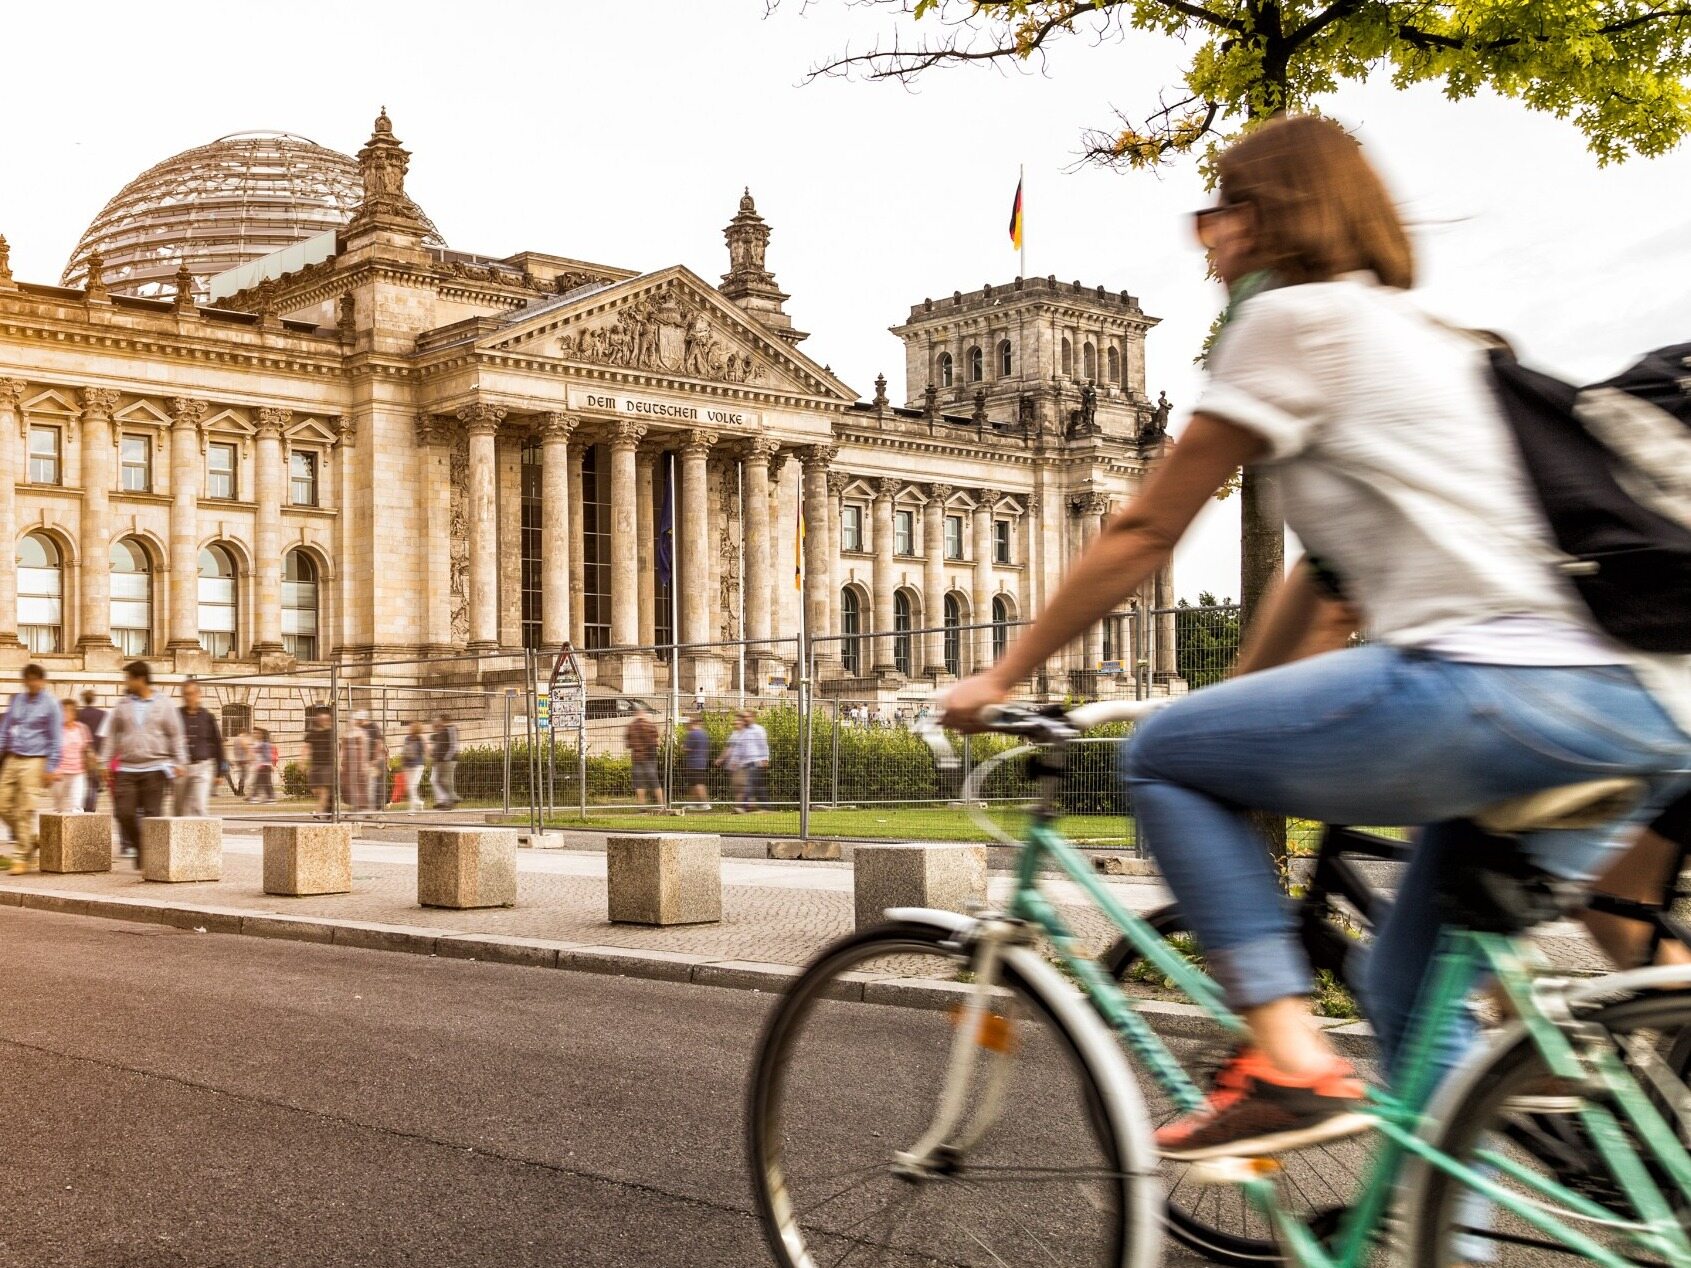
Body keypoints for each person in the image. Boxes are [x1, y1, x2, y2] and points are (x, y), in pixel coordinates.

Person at [942, 114, 1691, 1162]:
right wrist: (1244, 703)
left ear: (1268, 218)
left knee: (1161, 754)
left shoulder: (1291, 321)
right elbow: (1325, 575)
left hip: (1492, 687)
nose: (1203, 238)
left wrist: (1003, 673)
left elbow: (1146, 526)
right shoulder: (1442, 339)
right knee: (1406, 993)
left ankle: (1288, 1057)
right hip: (1639, 706)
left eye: (1217, 210)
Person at [103, 661, 185, 867]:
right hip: (126, 767)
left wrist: (180, 761)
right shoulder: (123, 705)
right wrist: (104, 763)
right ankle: (141, 847)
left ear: (140, 679)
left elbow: (176, 735)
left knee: (152, 816)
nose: (126, 682)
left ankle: (152, 860)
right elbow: (111, 736)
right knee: (124, 813)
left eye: (128, 678)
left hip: (156, 767)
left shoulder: (164, 703)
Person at [0, 664, 62, 873]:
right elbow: (5, 729)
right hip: (13, 757)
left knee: (24, 808)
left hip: (36, 759)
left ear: (42, 681)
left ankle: (21, 856)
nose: (32, 683)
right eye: (29, 679)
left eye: (36, 679)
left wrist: (51, 767)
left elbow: (56, 739)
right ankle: (31, 840)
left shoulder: (51, 704)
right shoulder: (17, 700)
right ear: (25, 681)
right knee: (3, 804)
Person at [173, 680, 226, 817]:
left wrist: (220, 771)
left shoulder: (207, 717)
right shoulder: (176, 715)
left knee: (199, 806)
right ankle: (180, 836)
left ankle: (203, 836)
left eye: (191, 693)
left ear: (198, 694)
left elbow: (218, 743)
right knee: (179, 809)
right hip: (181, 768)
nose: (188, 697)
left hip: (203, 766)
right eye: (185, 694)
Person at [717, 710, 770, 812]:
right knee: (758, 786)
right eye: (744, 717)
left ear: (753, 717)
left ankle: (743, 807)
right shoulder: (744, 731)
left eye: (747, 717)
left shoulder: (759, 730)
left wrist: (765, 758)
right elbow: (740, 748)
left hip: (756, 760)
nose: (746, 719)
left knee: (749, 784)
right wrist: (736, 760)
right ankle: (762, 807)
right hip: (745, 762)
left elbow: (763, 744)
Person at [53, 698, 91, 815]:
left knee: (77, 806)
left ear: (75, 713)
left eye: (70, 710)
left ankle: (77, 832)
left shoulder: (82, 728)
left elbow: (86, 748)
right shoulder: (55, 729)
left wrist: (90, 759)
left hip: (78, 772)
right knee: (59, 807)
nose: (66, 713)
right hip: (60, 772)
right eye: (64, 710)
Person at [626, 704, 664, 809]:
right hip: (650, 757)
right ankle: (661, 805)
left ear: (635, 714)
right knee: (655, 782)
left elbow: (629, 744)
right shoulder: (651, 725)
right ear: (643, 713)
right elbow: (657, 742)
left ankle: (642, 807)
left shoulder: (631, 726)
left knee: (639, 784)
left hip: (637, 757)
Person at [77, 689, 105, 811]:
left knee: (82, 782)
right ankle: (90, 809)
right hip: (97, 752)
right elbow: (105, 735)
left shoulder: (78, 714)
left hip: (81, 752)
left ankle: (82, 807)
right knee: (93, 783)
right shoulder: (103, 714)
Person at [305, 707, 335, 815]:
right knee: (315, 790)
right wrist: (302, 761)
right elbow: (307, 747)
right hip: (315, 765)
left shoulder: (332, 732)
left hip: (328, 765)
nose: (323, 721)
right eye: (321, 719)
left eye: (326, 719)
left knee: (324, 790)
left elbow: (338, 746)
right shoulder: (312, 733)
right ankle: (328, 807)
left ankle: (318, 812)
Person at [339, 711, 369, 812]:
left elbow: (365, 748)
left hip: (358, 760)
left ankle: (362, 806)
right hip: (347, 762)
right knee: (348, 784)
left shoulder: (361, 733)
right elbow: (342, 749)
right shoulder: (345, 734)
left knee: (359, 783)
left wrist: (365, 763)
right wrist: (340, 762)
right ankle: (354, 805)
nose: (350, 722)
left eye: (352, 720)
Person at [681, 715, 711, 809]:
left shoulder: (692, 734)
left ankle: (705, 803)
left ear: (692, 724)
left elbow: (686, 748)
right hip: (702, 762)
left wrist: (682, 747)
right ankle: (693, 803)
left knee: (698, 784)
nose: (687, 726)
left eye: (688, 724)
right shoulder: (704, 734)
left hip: (694, 762)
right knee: (694, 783)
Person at [429, 715, 459, 809]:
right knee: (440, 780)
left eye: (441, 721)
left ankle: (451, 800)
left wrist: (447, 757)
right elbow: (437, 741)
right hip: (442, 760)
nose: (439, 723)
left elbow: (453, 745)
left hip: (448, 760)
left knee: (445, 781)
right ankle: (451, 798)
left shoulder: (451, 729)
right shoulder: (444, 729)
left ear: (444, 720)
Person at [360, 712, 388, 810]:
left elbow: (379, 744)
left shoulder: (373, 727)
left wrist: (375, 759)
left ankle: (376, 808)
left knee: (374, 785)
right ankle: (375, 808)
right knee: (371, 785)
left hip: (375, 761)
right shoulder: (362, 728)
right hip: (369, 761)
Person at [400, 721, 427, 813]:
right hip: (408, 766)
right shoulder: (407, 738)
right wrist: (403, 763)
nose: (409, 728)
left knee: (412, 787)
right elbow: (404, 751)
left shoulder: (420, 739)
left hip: (417, 766)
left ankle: (412, 809)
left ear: (416, 729)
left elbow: (425, 751)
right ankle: (419, 803)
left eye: (411, 727)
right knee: (410, 788)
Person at [249, 727, 278, 804]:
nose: (255, 734)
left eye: (257, 733)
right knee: (260, 782)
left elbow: (268, 756)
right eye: (254, 733)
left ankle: (269, 797)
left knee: (266, 783)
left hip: (265, 766)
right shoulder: (260, 743)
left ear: (262, 735)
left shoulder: (265, 744)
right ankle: (256, 797)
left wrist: (270, 764)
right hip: (261, 766)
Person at [229, 728, 253, 798]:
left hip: (238, 760)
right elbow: (246, 747)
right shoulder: (241, 738)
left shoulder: (236, 739)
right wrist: (250, 756)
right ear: (244, 732)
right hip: (243, 760)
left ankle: (240, 791)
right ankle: (241, 791)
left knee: (242, 776)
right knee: (243, 776)